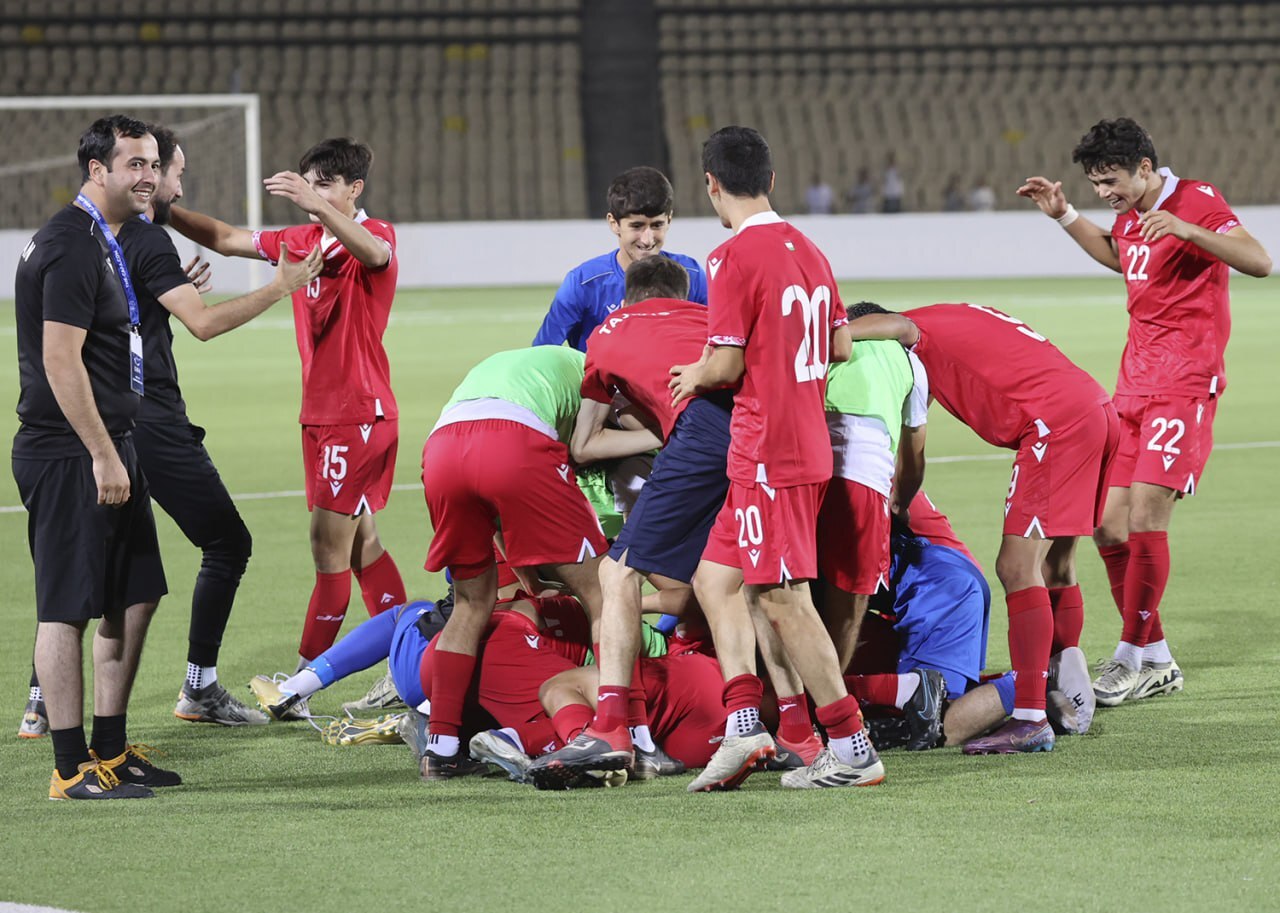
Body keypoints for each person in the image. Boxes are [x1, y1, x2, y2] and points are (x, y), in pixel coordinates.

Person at [1017, 118, 1272, 706]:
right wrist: (1062, 214)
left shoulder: (1195, 199)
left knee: (1147, 517)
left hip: (1184, 382)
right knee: (1106, 523)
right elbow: (1120, 256)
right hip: (1133, 382)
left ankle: (1131, 654)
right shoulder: (1133, 216)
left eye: (1111, 180)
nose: (1104, 192)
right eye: (1094, 183)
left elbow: (1259, 261)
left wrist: (1186, 227)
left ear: (1145, 168)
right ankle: (1155, 656)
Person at [668, 125, 881, 791]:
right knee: (717, 578)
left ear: (711, 184)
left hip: (770, 450)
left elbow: (727, 358)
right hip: (802, 440)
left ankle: (849, 745)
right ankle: (747, 725)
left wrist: (696, 374)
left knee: (784, 598)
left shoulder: (730, 256)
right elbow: (842, 346)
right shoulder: (809, 249)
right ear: (771, 180)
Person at [168, 138, 409, 695]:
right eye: (308, 182)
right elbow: (226, 238)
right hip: (328, 414)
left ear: (355, 189)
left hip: (355, 415)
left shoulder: (375, 236)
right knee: (362, 545)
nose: (312, 194)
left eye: (326, 183)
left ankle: (301, 682)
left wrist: (319, 205)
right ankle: (406, 663)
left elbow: (375, 254)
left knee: (328, 550)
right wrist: (162, 209)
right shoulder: (299, 241)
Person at [846, 302, 1118, 752]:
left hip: (1053, 424)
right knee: (1057, 566)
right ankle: (1064, 679)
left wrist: (825, 337)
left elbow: (902, 326)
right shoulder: (958, 315)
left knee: (1015, 566)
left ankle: (1030, 718)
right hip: (1093, 408)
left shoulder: (909, 331)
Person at [124, 127, 321, 726]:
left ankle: (39, 702)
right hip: (149, 418)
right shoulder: (145, 239)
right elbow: (204, 326)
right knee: (228, 544)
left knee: (100, 556)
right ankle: (199, 686)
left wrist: (168, 288)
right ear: (146, 174)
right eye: (170, 171)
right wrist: (280, 286)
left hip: (91, 421)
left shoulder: (86, 237)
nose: (177, 184)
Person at [13, 115, 179, 798]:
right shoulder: (73, 245)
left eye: (151, 162)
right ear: (97, 170)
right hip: (71, 451)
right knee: (67, 606)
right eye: (132, 164)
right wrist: (103, 454)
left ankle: (110, 748)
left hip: (111, 442)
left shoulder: (102, 240)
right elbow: (59, 359)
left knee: (135, 594)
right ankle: (68, 765)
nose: (146, 175)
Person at [417, 345, 660, 778]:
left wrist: (532, 577)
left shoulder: (537, 366)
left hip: (441, 448)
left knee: (472, 603)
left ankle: (441, 748)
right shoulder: (602, 371)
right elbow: (585, 447)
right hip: (512, 439)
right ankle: (636, 735)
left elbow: (501, 519)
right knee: (606, 590)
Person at [818, 304, 929, 673]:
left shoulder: (826, 344)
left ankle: (783, 705)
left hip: (801, 475)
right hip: (863, 482)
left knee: (790, 597)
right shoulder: (909, 362)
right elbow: (913, 460)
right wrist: (901, 504)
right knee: (848, 610)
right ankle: (827, 711)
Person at [532, 166, 706, 350]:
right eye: (637, 226)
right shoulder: (583, 283)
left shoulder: (690, 274)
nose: (647, 240)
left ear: (669, 220)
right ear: (614, 224)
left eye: (657, 225)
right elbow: (542, 352)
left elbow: (717, 342)